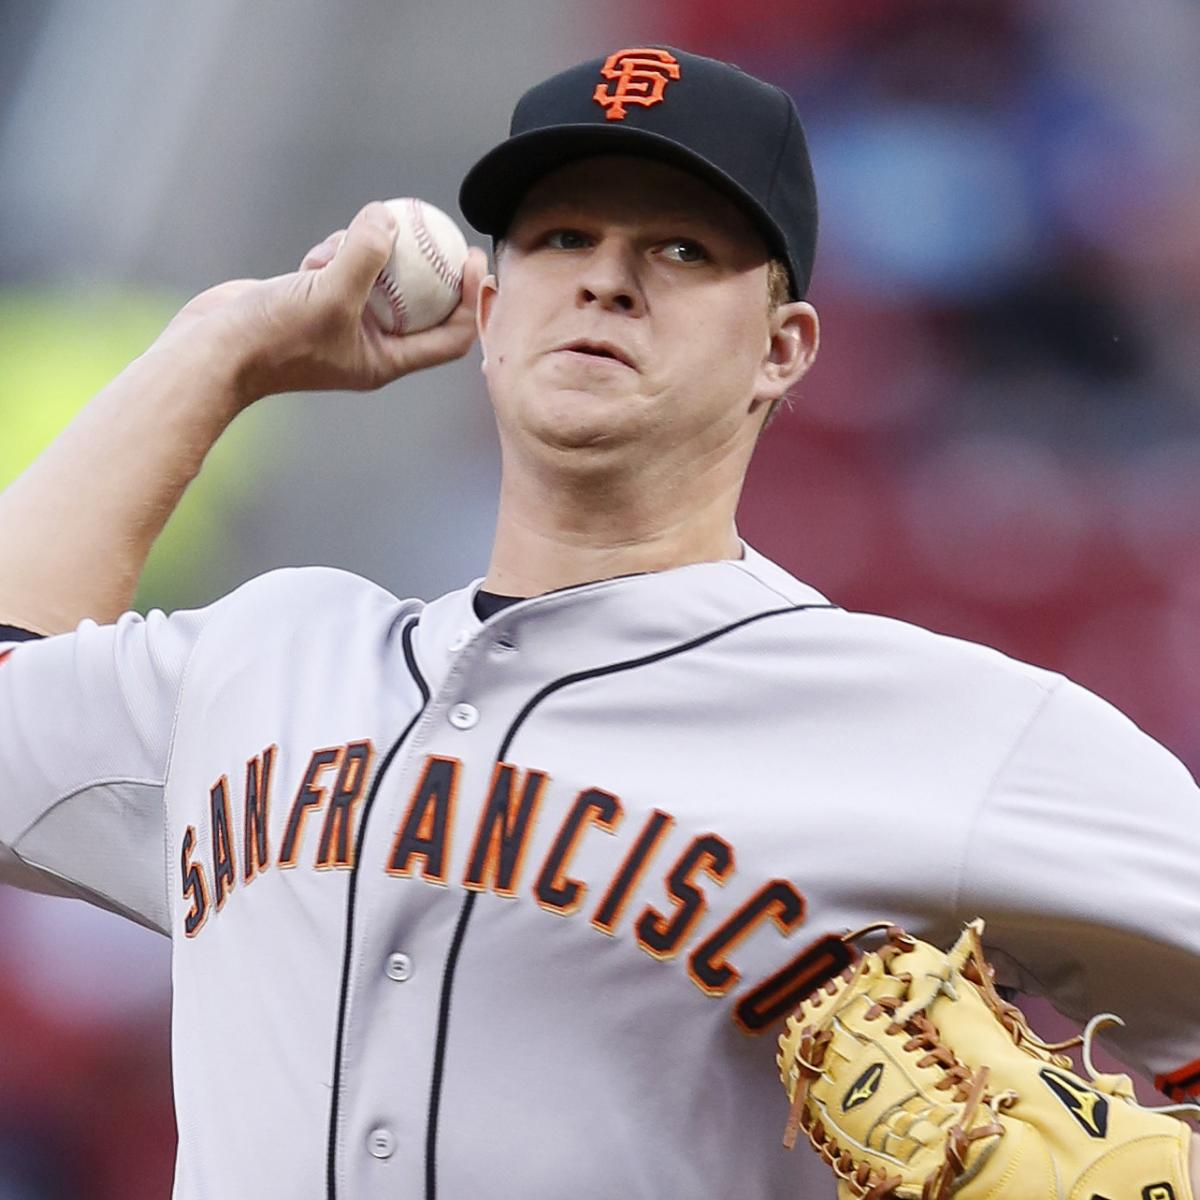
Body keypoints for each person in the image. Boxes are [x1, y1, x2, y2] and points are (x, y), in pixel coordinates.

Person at [1, 46, 1198, 1200]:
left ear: (782, 351)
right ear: (490, 303)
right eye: (562, 237)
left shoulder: (949, 726)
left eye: (680, 248)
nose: (606, 278)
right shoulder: (261, 658)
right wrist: (220, 349)